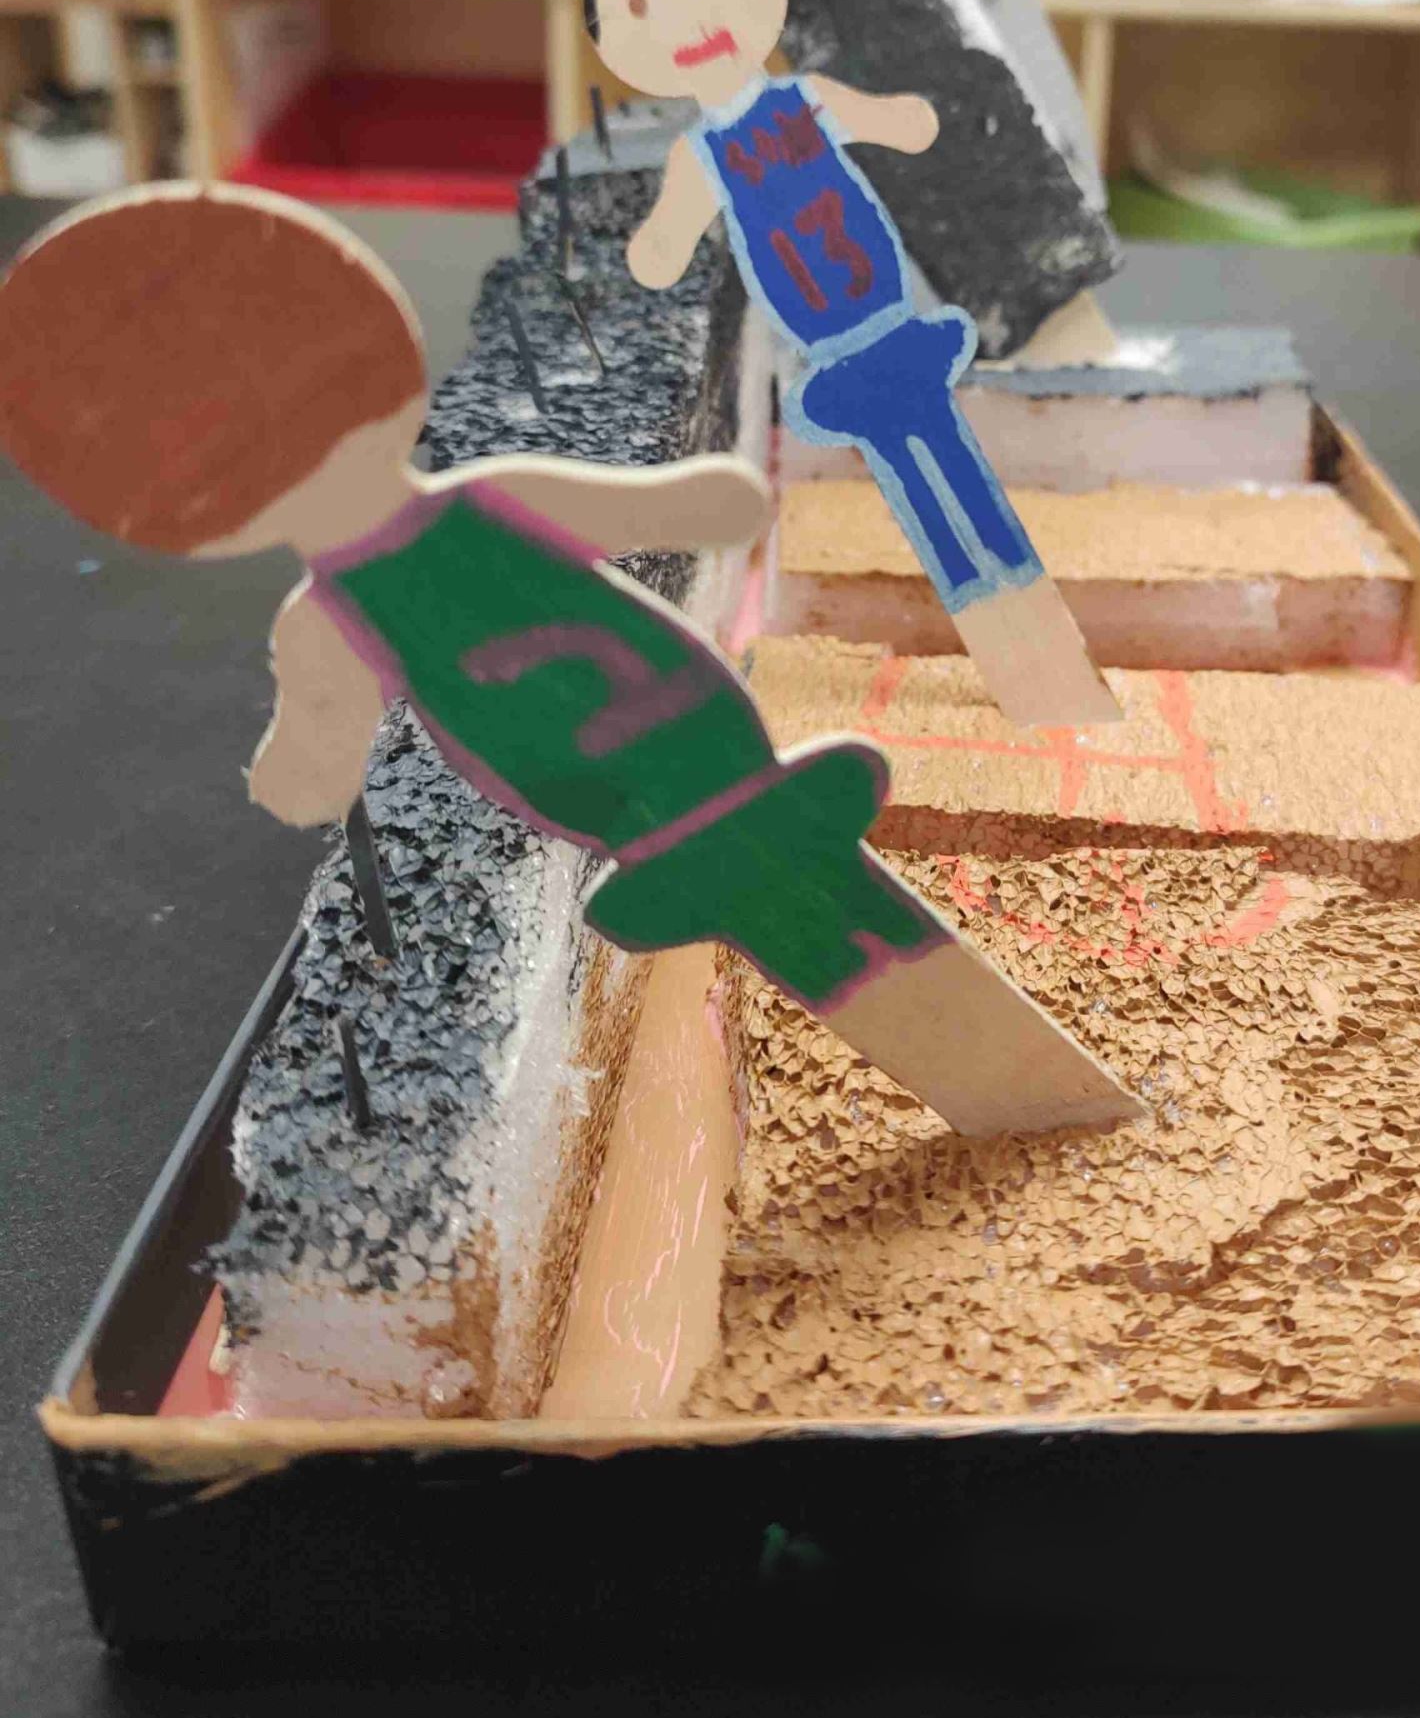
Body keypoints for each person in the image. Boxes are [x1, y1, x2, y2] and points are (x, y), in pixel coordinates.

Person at [0, 184, 1133, 1133]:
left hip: (652, 783)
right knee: (798, 896)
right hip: (666, 769)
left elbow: (317, 759)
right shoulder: (402, 567)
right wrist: (708, 501)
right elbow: (664, 510)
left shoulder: (353, 601)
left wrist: (299, 769)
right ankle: (1009, 1084)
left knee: (794, 892)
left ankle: (1011, 1084)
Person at [584, 0, 1117, 725]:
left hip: (891, 327)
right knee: (918, 474)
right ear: (618, 43)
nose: (686, 16)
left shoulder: (807, 102)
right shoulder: (701, 156)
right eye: (643, 4)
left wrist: (912, 116)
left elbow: (899, 126)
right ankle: (991, 607)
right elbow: (664, 245)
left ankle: (1028, 629)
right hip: (837, 358)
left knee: (946, 458)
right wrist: (650, 246)